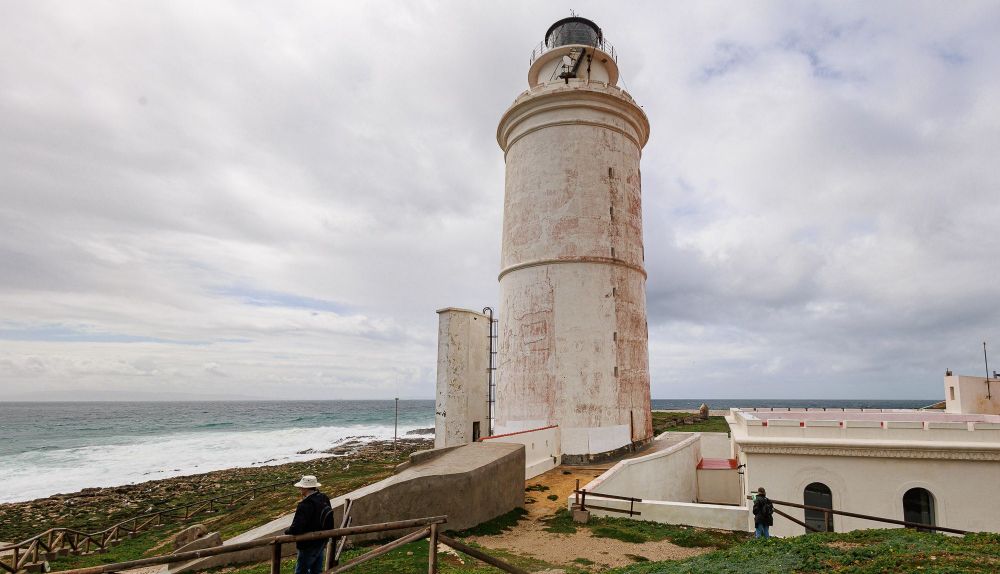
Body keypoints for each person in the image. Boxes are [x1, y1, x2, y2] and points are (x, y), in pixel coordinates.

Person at [284, 475, 334, 574]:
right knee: (316, 570)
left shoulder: (305, 504)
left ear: (305, 488)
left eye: (301, 487)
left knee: (301, 571)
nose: (300, 489)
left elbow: (297, 528)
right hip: (322, 539)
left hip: (307, 543)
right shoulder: (324, 498)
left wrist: (287, 531)